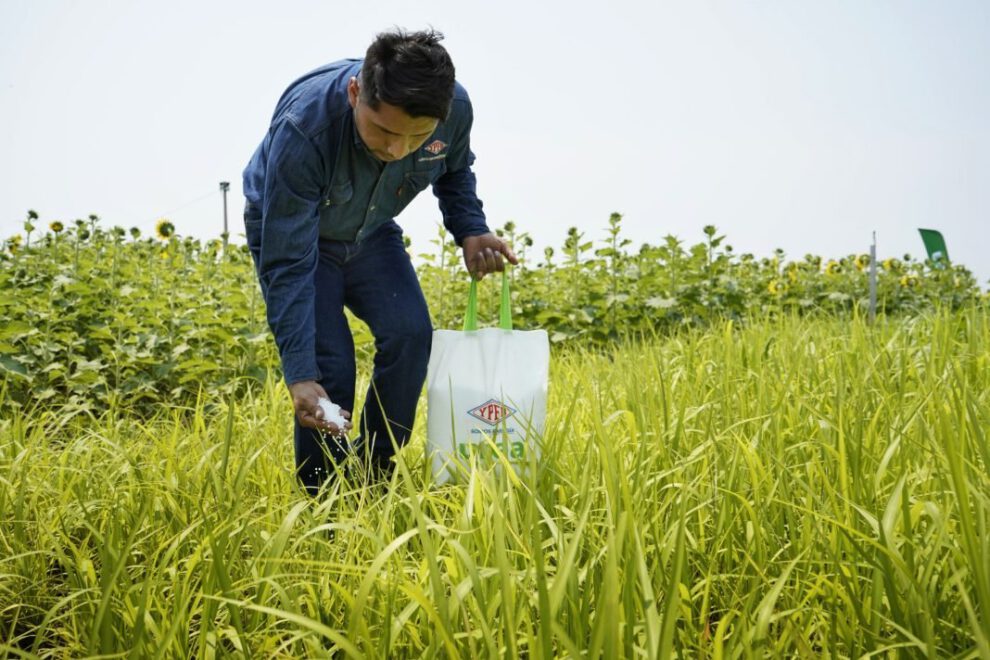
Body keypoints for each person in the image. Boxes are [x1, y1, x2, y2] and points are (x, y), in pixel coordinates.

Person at [242, 29, 517, 496]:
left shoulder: (454, 110)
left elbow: (455, 171)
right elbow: (287, 263)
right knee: (330, 364)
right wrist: (301, 377)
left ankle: (373, 478)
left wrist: (471, 229)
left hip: (371, 231)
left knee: (411, 334)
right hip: (301, 234)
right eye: (385, 131)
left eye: (416, 138)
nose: (396, 150)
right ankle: (323, 496)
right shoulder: (305, 129)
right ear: (355, 93)